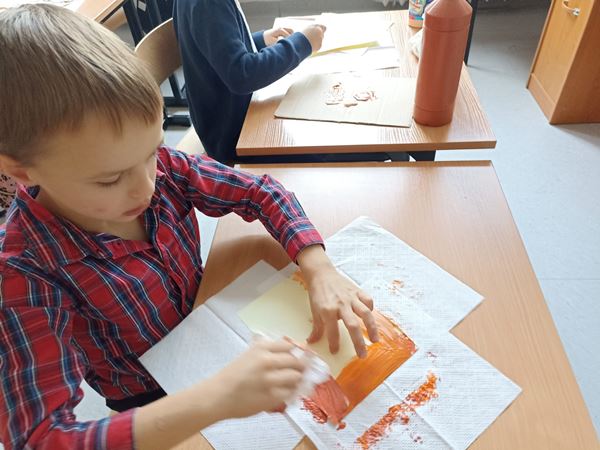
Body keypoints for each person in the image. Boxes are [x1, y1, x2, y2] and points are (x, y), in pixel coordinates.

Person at [0, 5, 379, 450]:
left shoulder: (161, 168)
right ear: (22, 171)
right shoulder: (23, 272)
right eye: (109, 179)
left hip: (211, 329)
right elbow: (42, 437)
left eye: (152, 151)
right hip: (150, 398)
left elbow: (261, 193)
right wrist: (215, 399)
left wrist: (318, 267)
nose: (146, 187)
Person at [173, 0, 396, 164]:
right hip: (235, 136)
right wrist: (303, 43)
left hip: (234, 117)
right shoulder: (208, 4)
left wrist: (258, 40)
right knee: (351, 143)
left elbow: (218, 47)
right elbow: (242, 75)